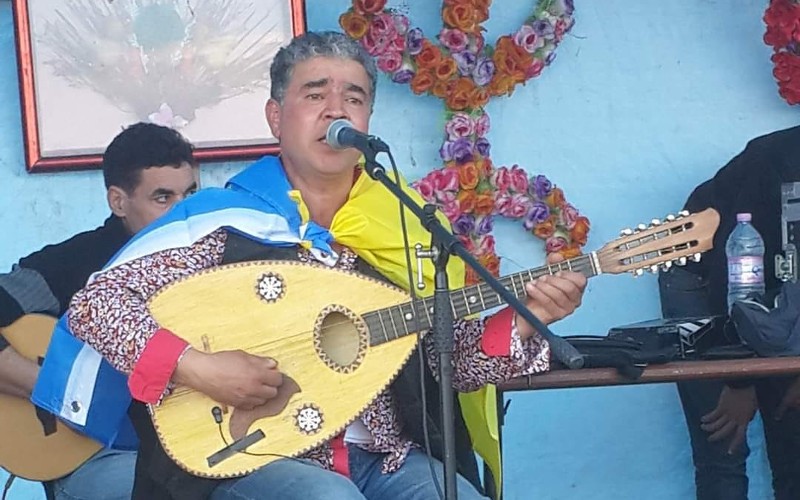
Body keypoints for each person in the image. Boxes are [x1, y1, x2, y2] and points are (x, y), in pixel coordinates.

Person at [65, 31, 587, 500]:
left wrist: (527, 317)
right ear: (276, 117)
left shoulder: (404, 225)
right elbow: (96, 306)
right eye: (315, 95)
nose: (336, 110)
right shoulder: (222, 224)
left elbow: (446, 364)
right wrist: (198, 367)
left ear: (367, 122)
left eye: (353, 98)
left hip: (388, 459)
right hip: (256, 456)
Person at [0, 121, 199, 499]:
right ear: (118, 202)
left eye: (190, 194)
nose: (183, 211)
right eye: (163, 198)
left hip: (197, 449)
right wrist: (57, 389)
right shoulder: (72, 264)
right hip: (96, 458)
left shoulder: (218, 261)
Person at [658, 125, 800, 500]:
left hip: (781, 301)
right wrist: (739, 379)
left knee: (794, 444)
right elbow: (735, 274)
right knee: (724, 441)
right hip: (705, 279)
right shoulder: (777, 160)